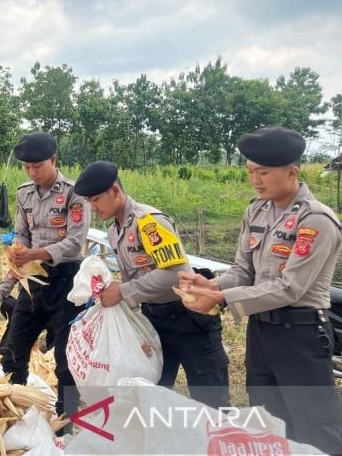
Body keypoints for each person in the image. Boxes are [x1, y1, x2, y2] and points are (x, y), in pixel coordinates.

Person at [180, 127, 342, 452]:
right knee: (268, 424)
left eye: (263, 172)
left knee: (316, 430)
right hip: (261, 334)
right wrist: (209, 284)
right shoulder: (257, 211)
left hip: (301, 337)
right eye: (250, 171)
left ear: (292, 172)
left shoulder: (315, 221)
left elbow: (290, 288)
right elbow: (243, 271)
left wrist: (221, 298)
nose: (255, 179)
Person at [74, 161, 230, 409]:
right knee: (150, 398)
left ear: (115, 191)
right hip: (155, 321)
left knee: (211, 403)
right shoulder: (115, 231)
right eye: (89, 202)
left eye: (95, 200)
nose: (93, 208)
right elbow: (132, 277)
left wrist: (123, 292)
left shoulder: (148, 222)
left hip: (189, 318)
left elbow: (175, 273)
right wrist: (136, 327)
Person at [0, 131, 89, 418]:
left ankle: (67, 417)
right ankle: (14, 407)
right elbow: (22, 234)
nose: (32, 172)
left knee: (65, 358)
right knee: (13, 348)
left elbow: (74, 242)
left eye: (37, 166)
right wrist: (16, 258)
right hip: (33, 281)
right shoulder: (24, 193)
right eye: (27, 167)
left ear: (53, 160)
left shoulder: (74, 192)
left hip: (67, 281)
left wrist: (34, 253)